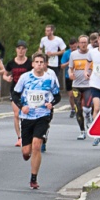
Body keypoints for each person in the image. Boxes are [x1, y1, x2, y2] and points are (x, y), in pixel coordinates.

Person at [14, 52, 61, 190]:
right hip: (27, 116)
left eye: (42, 62)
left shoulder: (50, 79)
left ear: (45, 64)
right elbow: (15, 94)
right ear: (33, 64)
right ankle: (26, 152)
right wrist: (22, 106)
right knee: (26, 151)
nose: (39, 64)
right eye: (37, 62)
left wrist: (51, 104)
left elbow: (57, 96)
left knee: (36, 146)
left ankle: (33, 178)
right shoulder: (25, 77)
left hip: (43, 115)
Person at [2, 41, 32, 145]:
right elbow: (4, 75)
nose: (21, 50)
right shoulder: (11, 63)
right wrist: (7, 78)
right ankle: (19, 137)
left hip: (27, 91)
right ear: (16, 50)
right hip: (15, 90)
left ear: (26, 50)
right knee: (16, 114)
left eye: (23, 48)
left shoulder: (30, 63)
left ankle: (27, 134)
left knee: (26, 113)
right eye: (19, 48)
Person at [67, 35, 93, 140]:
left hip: (88, 85)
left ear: (88, 43)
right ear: (78, 44)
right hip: (76, 85)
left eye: (85, 42)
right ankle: (82, 131)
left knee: (87, 107)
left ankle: (88, 116)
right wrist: (70, 74)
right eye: (81, 42)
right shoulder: (73, 54)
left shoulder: (92, 54)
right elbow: (70, 68)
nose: (83, 44)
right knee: (78, 108)